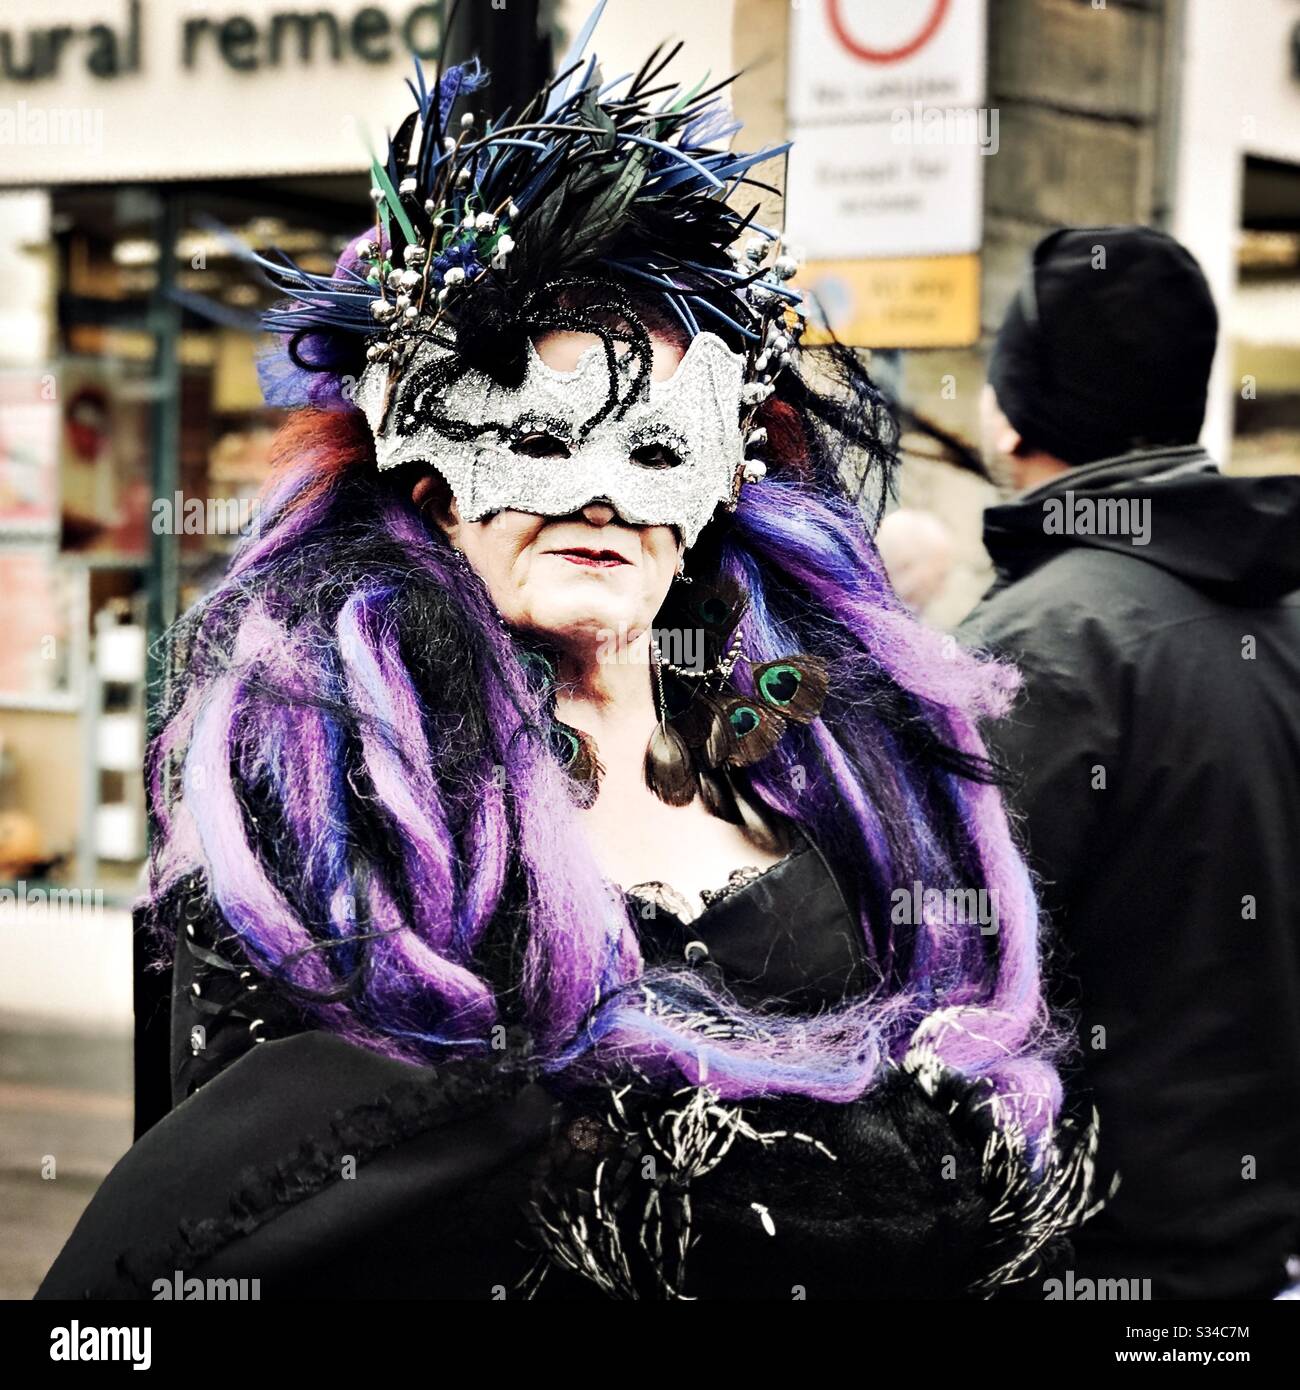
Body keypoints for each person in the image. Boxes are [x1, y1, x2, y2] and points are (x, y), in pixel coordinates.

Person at [38, 4, 1094, 1302]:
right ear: (428, 481)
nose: (599, 500)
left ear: (722, 477)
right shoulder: (324, 792)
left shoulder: (840, 769)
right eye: (534, 444)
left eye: (653, 450)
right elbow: (240, 1202)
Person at [961, 224, 1300, 1299]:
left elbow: (943, 969)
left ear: (1019, 408)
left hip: (1106, 1259)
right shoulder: (1275, 608)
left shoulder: (1041, 644)